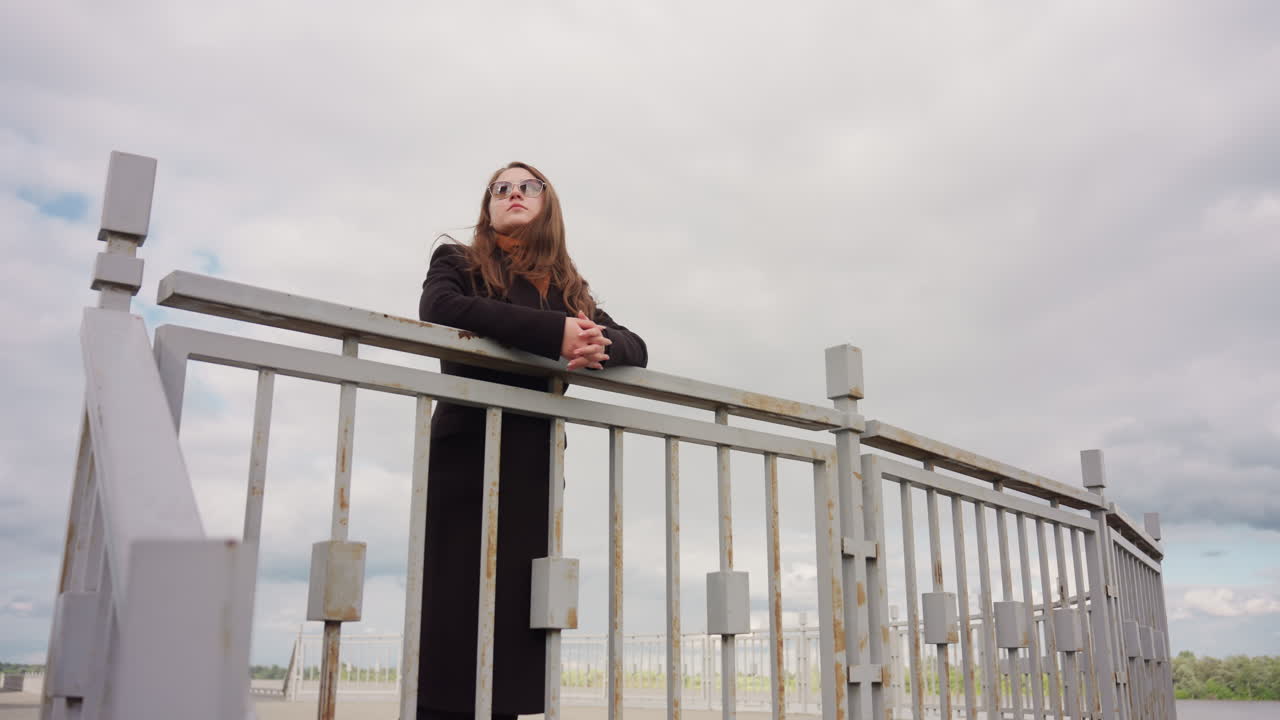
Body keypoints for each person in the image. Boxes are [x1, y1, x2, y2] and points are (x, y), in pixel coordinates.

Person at [416, 162, 648, 720]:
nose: (514, 193)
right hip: (467, 455)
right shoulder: (458, 260)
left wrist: (594, 342)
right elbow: (439, 310)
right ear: (487, 207)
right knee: (453, 614)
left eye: (527, 186)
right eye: (501, 189)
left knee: (517, 624)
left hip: (533, 467)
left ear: (549, 203)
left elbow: (637, 346)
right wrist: (556, 335)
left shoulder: (570, 287)